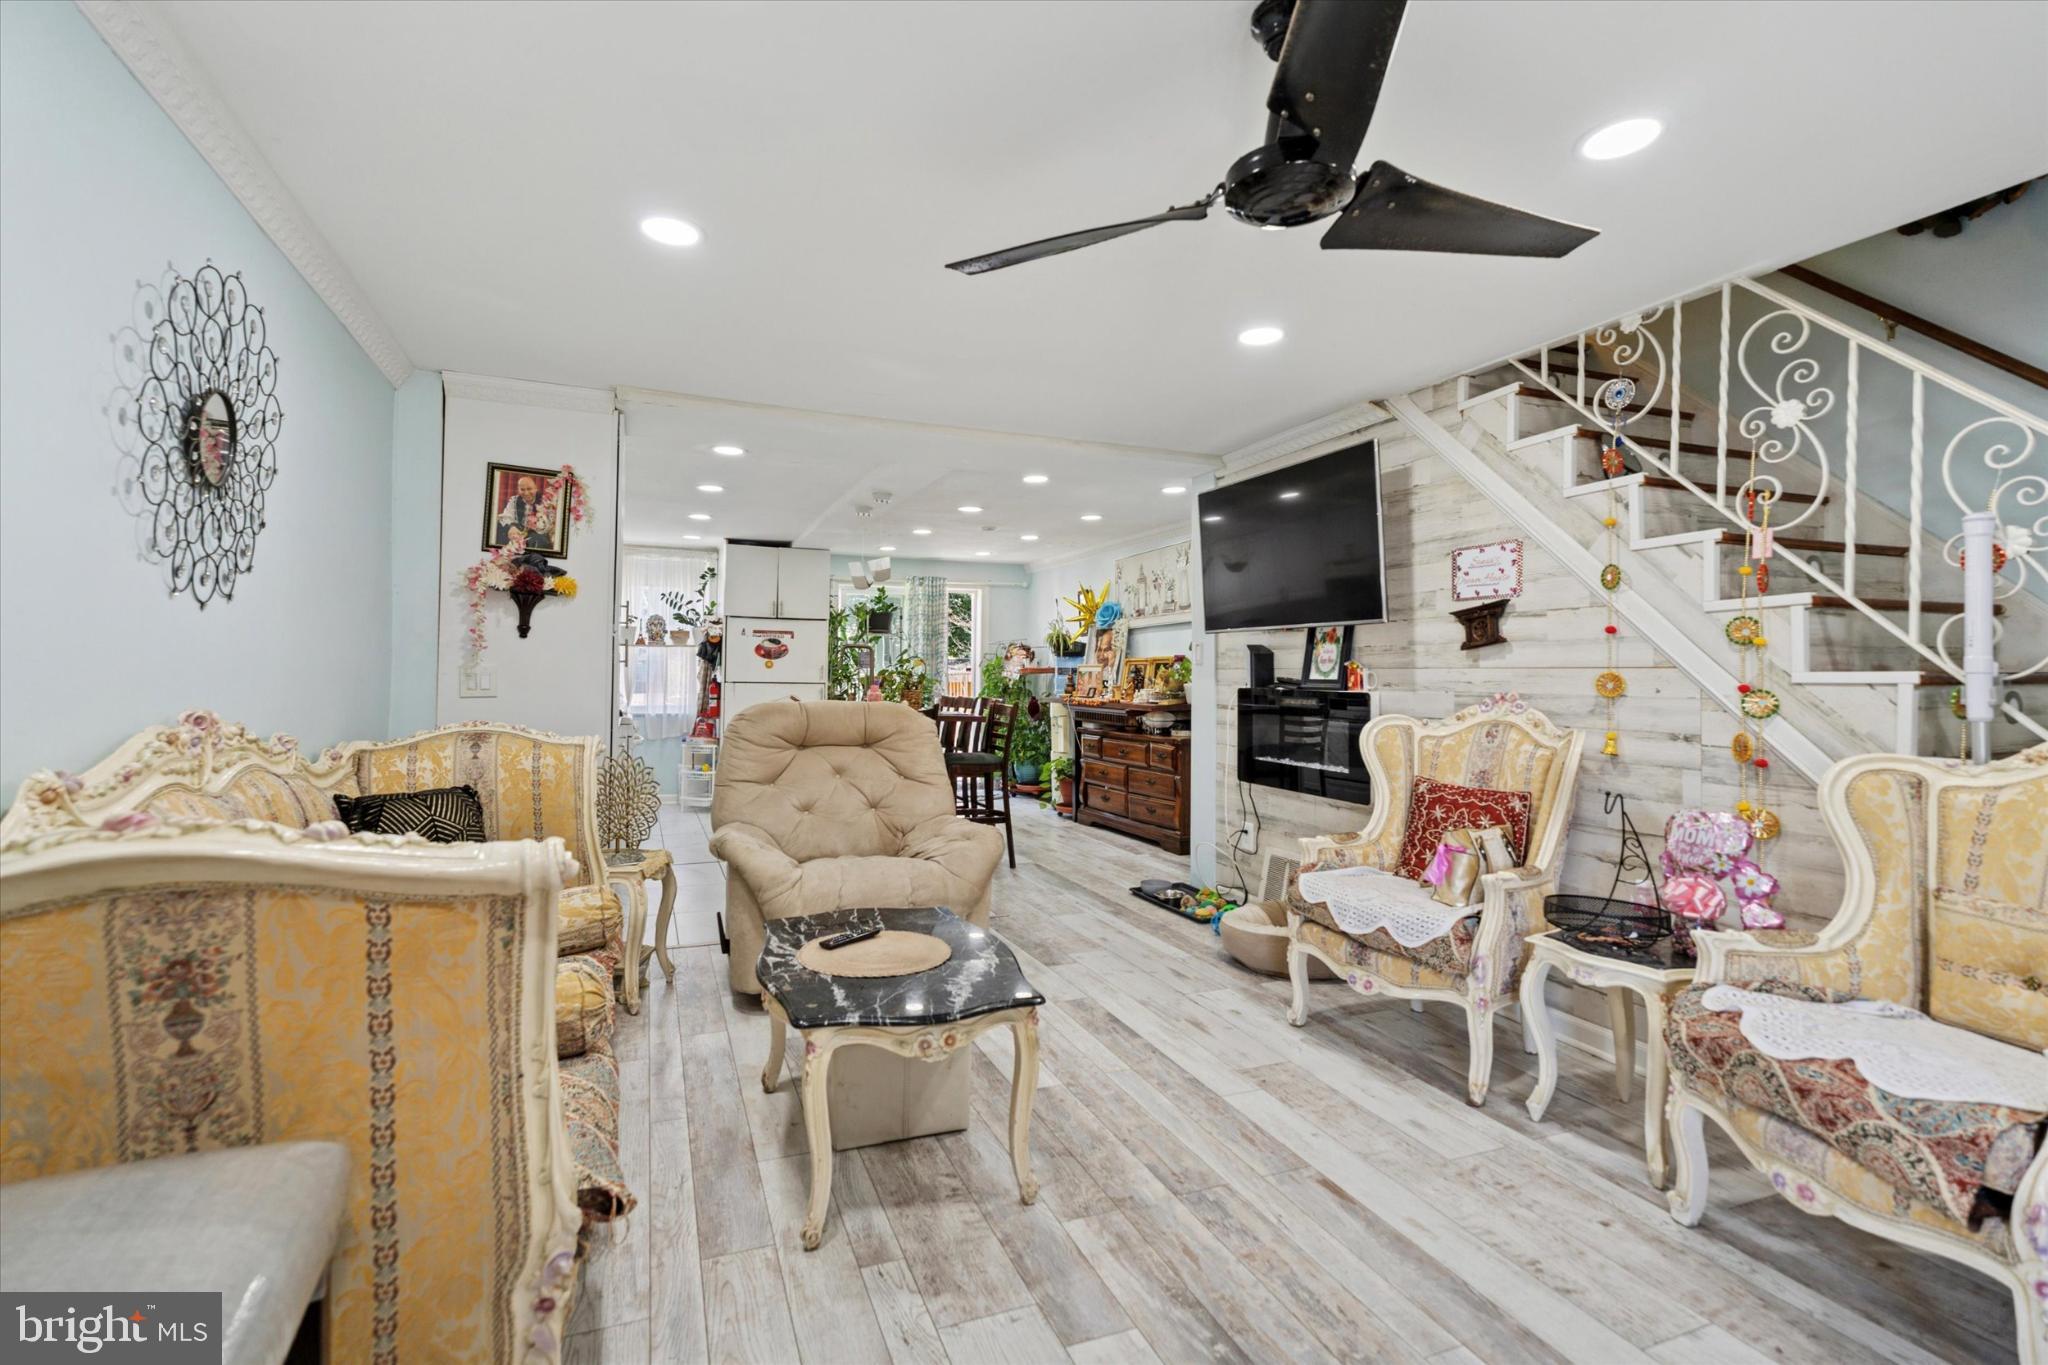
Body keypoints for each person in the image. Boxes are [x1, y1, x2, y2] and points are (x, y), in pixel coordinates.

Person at [495, 474, 554, 551]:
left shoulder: (545, 501)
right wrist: (512, 527)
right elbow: (507, 516)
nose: (526, 493)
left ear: (536, 488)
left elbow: (549, 524)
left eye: (529, 489)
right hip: (517, 531)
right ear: (518, 490)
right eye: (522, 489)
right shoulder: (514, 500)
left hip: (537, 533)